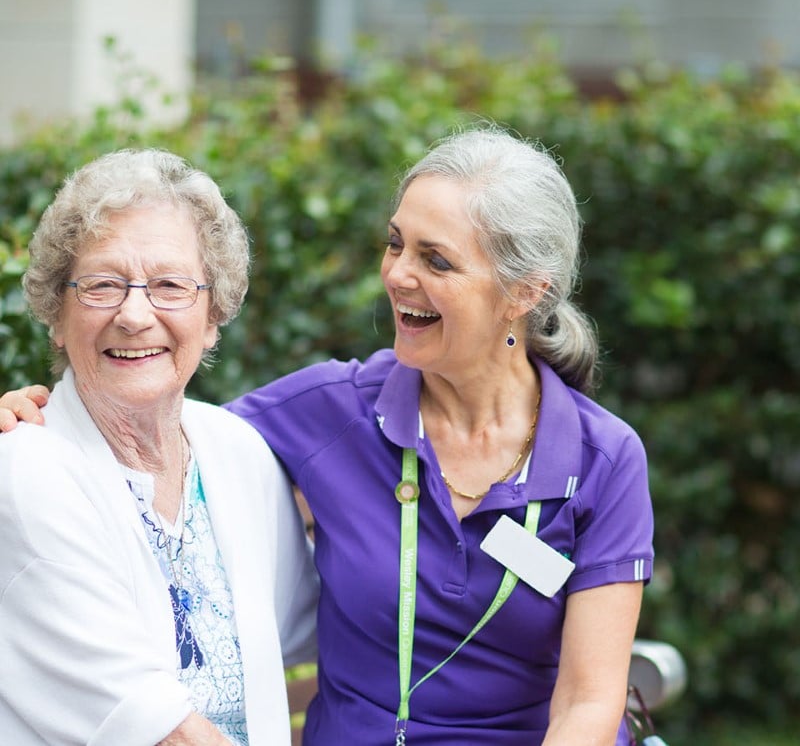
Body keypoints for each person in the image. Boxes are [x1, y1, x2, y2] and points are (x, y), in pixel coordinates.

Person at [1, 127, 653, 745]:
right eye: (395, 243)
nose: (397, 274)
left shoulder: (603, 459)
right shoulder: (327, 412)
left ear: (524, 291)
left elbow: (590, 705)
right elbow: (139, 408)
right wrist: (25, 415)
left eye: (436, 259)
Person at [0, 149, 318, 745]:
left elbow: (324, 626)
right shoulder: (27, 468)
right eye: (101, 286)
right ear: (56, 315)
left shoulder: (236, 452)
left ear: (213, 313)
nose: (135, 314)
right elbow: (157, 730)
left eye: (170, 285)